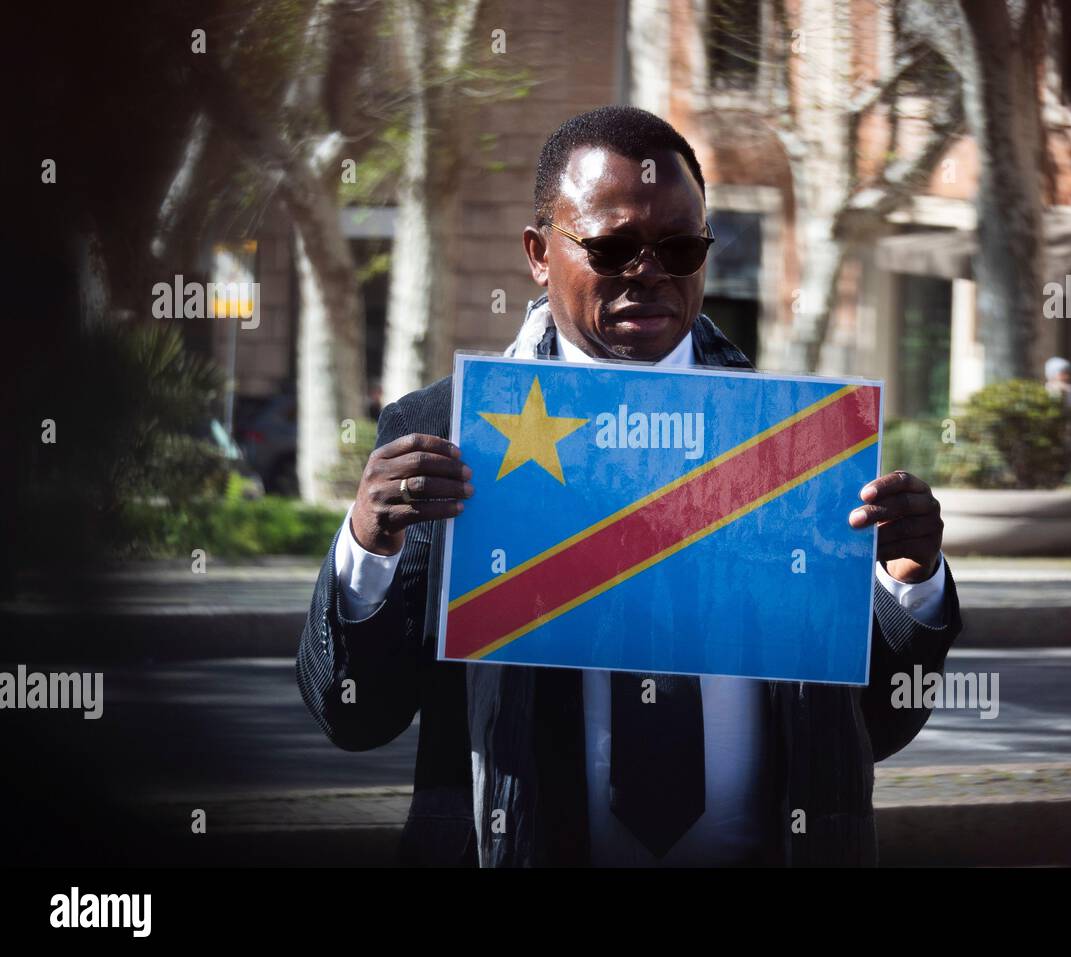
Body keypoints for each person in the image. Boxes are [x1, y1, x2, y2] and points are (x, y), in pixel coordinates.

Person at [296, 106, 962, 866]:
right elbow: (355, 716)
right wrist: (366, 548)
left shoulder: (795, 444)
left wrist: (908, 586)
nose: (648, 272)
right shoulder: (446, 434)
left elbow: (872, 728)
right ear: (538, 252)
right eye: (612, 248)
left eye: (680, 247)